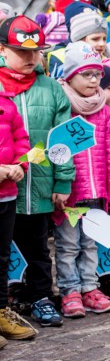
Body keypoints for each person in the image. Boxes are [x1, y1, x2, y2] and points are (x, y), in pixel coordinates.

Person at [0, 16, 73, 328]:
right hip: (4, 190)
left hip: (39, 187)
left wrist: (64, 179)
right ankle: (11, 299)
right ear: (2, 49)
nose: (31, 58)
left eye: (36, 52)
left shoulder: (51, 88)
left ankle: (41, 296)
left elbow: (65, 138)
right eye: (21, 51)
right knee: (5, 248)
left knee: (39, 247)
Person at [54, 43, 110, 317]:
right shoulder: (62, 106)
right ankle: (69, 291)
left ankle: (90, 288)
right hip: (72, 194)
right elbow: (57, 152)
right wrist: (59, 187)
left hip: (97, 193)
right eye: (87, 75)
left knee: (90, 243)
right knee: (68, 244)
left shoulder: (103, 109)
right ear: (70, 76)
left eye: (97, 74)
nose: (94, 81)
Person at [0, 80, 37, 342]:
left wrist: (20, 165)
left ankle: (1, 311)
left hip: (7, 195)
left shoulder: (8, 104)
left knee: (2, 257)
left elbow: (21, 140)